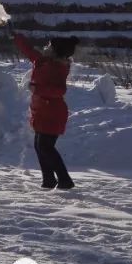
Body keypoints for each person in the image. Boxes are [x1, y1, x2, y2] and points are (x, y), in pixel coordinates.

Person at [9, 25, 78, 190]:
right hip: (42, 111)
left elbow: (60, 90)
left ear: (54, 51)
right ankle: (49, 180)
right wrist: (16, 37)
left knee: (45, 147)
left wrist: (37, 89)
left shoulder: (59, 68)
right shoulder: (43, 61)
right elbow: (29, 51)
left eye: (48, 46)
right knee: (40, 146)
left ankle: (64, 180)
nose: (45, 47)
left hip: (53, 113)